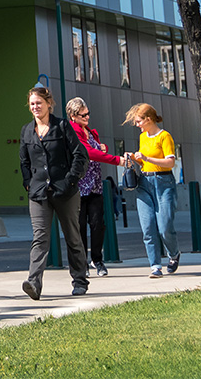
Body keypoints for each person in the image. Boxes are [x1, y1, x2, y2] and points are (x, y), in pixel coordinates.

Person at [17, 87, 91, 299]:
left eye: (39, 103)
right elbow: (24, 161)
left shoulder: (62, 126)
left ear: (49, 104)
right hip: (39, 192)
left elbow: (80, 155)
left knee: (72, 236)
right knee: (40, 237)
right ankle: (33, 283)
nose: (35, 107)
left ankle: (79, 280)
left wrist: (70, 180)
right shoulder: (27, 131)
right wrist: (28, 183)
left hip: (64, 191)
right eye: (32, 104)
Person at [64, 97, 125, 276]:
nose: (87, 117)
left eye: (88, 113)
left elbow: (96, 149)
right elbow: (88, 152)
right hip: (79, 186)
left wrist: (102, 147)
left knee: (98, 224)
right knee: (80, 225)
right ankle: (82, 263)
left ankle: (97, 260)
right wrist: (116, 160)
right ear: (73, 116)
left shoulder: (90, 132)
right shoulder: (72, 132)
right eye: (83, 115)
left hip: (95, 185)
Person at [124, 103, 179, 278]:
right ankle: (155, 266)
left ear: (148, 119)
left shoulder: (165, 136)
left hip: (164, 182)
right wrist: (135, 158)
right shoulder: (143, 137)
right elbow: (144, 162)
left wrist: (147, 157)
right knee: (148, 228)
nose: (137, 124)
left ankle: (174, 254)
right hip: (144, 182)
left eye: (139, 121)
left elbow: (170, 162)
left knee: (164, 226)